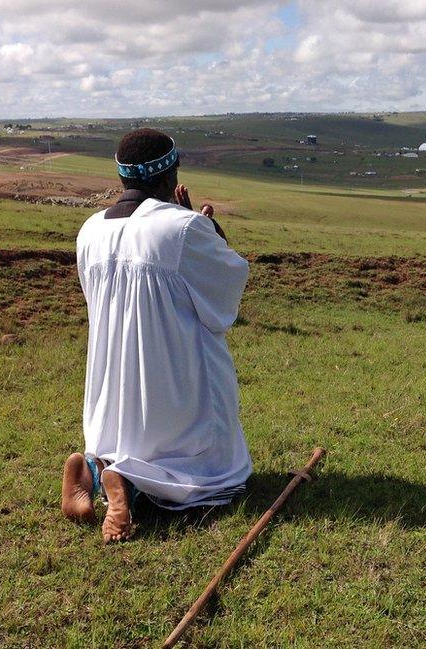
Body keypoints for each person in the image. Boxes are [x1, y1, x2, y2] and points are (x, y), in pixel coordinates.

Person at [61, 128, 251, 543]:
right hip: (174, 389)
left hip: (112, 393)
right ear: (170, 176)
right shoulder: (183, 229)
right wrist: (208, 230)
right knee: (220, 475)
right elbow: (229, 284)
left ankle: (97, 467)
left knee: (118, 436)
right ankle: (126, 478)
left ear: (122, 178)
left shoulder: (89, 231)